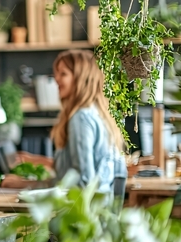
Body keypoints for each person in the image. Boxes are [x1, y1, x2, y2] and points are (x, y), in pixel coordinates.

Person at [8, 50, 126, 192]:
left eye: (63, 74)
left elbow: (83, 182)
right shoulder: (95, 113)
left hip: (82, 212)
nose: (56, 79)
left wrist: (26, 186)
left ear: (80, 78)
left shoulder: (80, 118)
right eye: (56, 73)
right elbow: (71, 172)